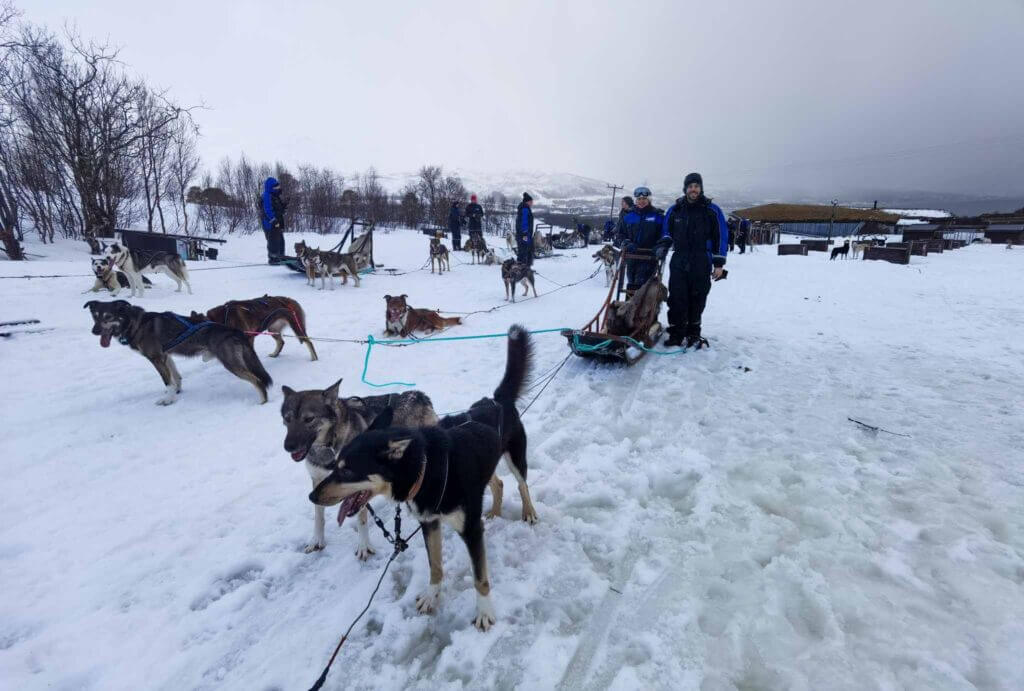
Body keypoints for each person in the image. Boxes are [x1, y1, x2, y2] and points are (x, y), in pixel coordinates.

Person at [657, 172, 728, 348]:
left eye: (696, 186)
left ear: (701, 188)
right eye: (690, 186)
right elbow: (667, 230)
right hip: (680, 257)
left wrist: (718, 264)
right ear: (685, 188)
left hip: (701, 258)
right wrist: (663, 245)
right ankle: (676, 333)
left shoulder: (712, 210)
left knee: (698, 296)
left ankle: (693, 333)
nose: (693, 189)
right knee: (677, 296)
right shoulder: (675, 209)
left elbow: (721, 236)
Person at [613, 186, 664, 292]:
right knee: (631, 284)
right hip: (631, 255)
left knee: (643, 286)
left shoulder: (657, 216)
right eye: (639, 199)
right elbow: (620, 234)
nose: (641, 201)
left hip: (649, 256)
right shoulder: (628, 216)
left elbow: (663, 235)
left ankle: (641, 307)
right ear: (636, 200)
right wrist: (626, 243)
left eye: (644, 199)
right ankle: (630, 306)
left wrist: (659, 246)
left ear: (649, 200)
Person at [261, 177, 287, 264]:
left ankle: (281, 257)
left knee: (280, 241)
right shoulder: (267, 196)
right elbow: (267, 209)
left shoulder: (275, 196)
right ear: (270, 187)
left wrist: (284, 205)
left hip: (277, 223)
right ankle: (273, 259)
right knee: (273, 242)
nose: (278, 188)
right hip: (270, 224)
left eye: (278, 186)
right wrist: (273, 220)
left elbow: (279, 210)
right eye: (276, 187)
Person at [515, 192, 534, 265]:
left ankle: (525, 268)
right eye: (531, 202)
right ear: (527, 202)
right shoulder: (525, 209)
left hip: (523, 234)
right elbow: (524, 222)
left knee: (524, 251)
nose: (532, 203)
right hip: (524, 235)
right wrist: (525, 233)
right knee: (524, 251)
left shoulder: (524, 208)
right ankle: (522, 268)